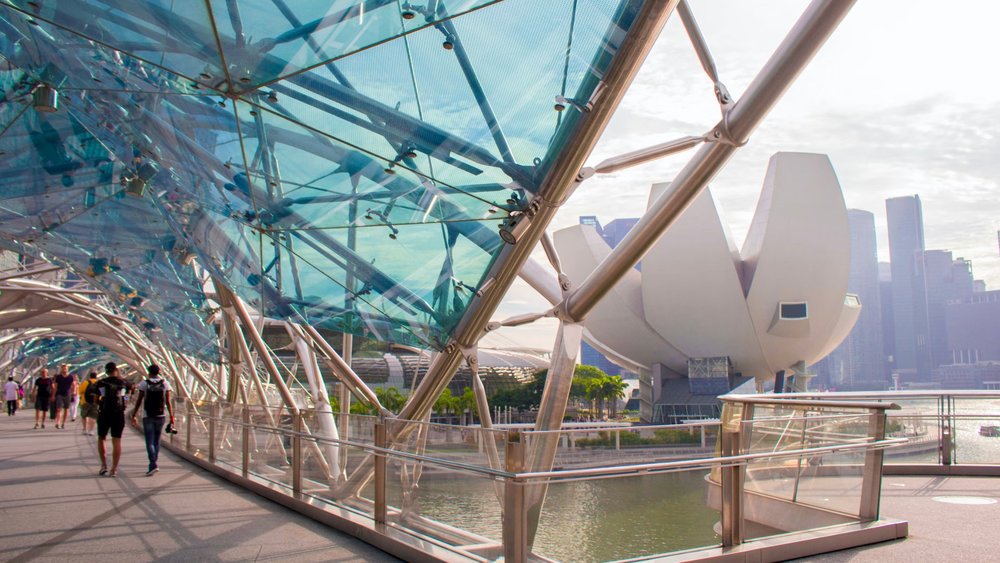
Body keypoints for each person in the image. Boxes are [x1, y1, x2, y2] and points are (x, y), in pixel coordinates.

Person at [130, 364, 174, 476]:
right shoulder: (165, 383)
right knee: (157, 440)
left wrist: (134, 414)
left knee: (149, 440)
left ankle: (153, 463)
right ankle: (154, 462)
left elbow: (139, 400)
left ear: (149, 372)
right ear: (159, 372)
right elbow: (168, 402)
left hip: (147, 415)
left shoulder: (144, 383)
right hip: (161, 415)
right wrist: (172, 417)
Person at [95, 362, 127, 477]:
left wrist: (99, 405)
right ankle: (114, 469)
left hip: (104, 413)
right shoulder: (123, 382)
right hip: (118, 414)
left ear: (106, 371)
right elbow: (126, 396)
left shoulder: (101, 383)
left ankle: (104, 465)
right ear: (116, 369)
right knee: (116, 440)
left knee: (101, 438)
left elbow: (96, 398)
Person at [53, 364, 76, 429]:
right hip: (59, 393)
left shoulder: (71, 377)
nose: (64, 369)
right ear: (61, 369)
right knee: (58, 409)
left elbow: (73, 384)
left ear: (67, 369)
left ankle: (63, 423)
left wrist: (74, 392)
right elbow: (56, 386)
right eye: (63, 368)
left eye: (65, 368)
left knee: (66, 409)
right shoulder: (58, 377)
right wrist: (54, 395)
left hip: (67, 394)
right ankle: (58, 422)